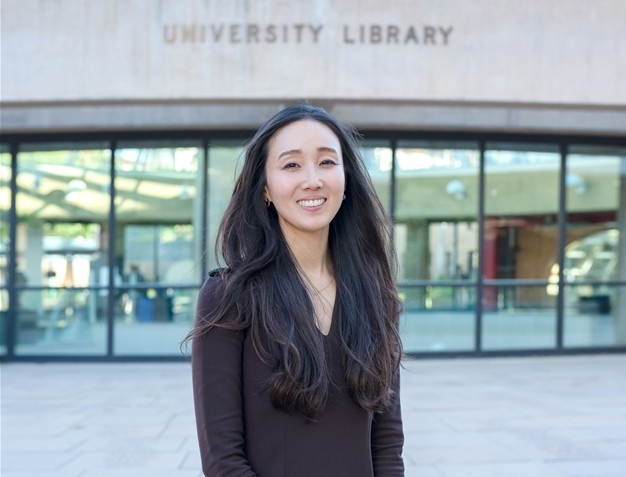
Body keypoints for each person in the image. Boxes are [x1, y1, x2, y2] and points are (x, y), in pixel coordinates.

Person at [185, 103, 404, 476]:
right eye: (291, 165)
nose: (312, 180)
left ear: (346, 180)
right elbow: (223, 460)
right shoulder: (228, 296)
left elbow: (387, 446)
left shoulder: (375, 295)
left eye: (327, 162)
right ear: (265, 188)